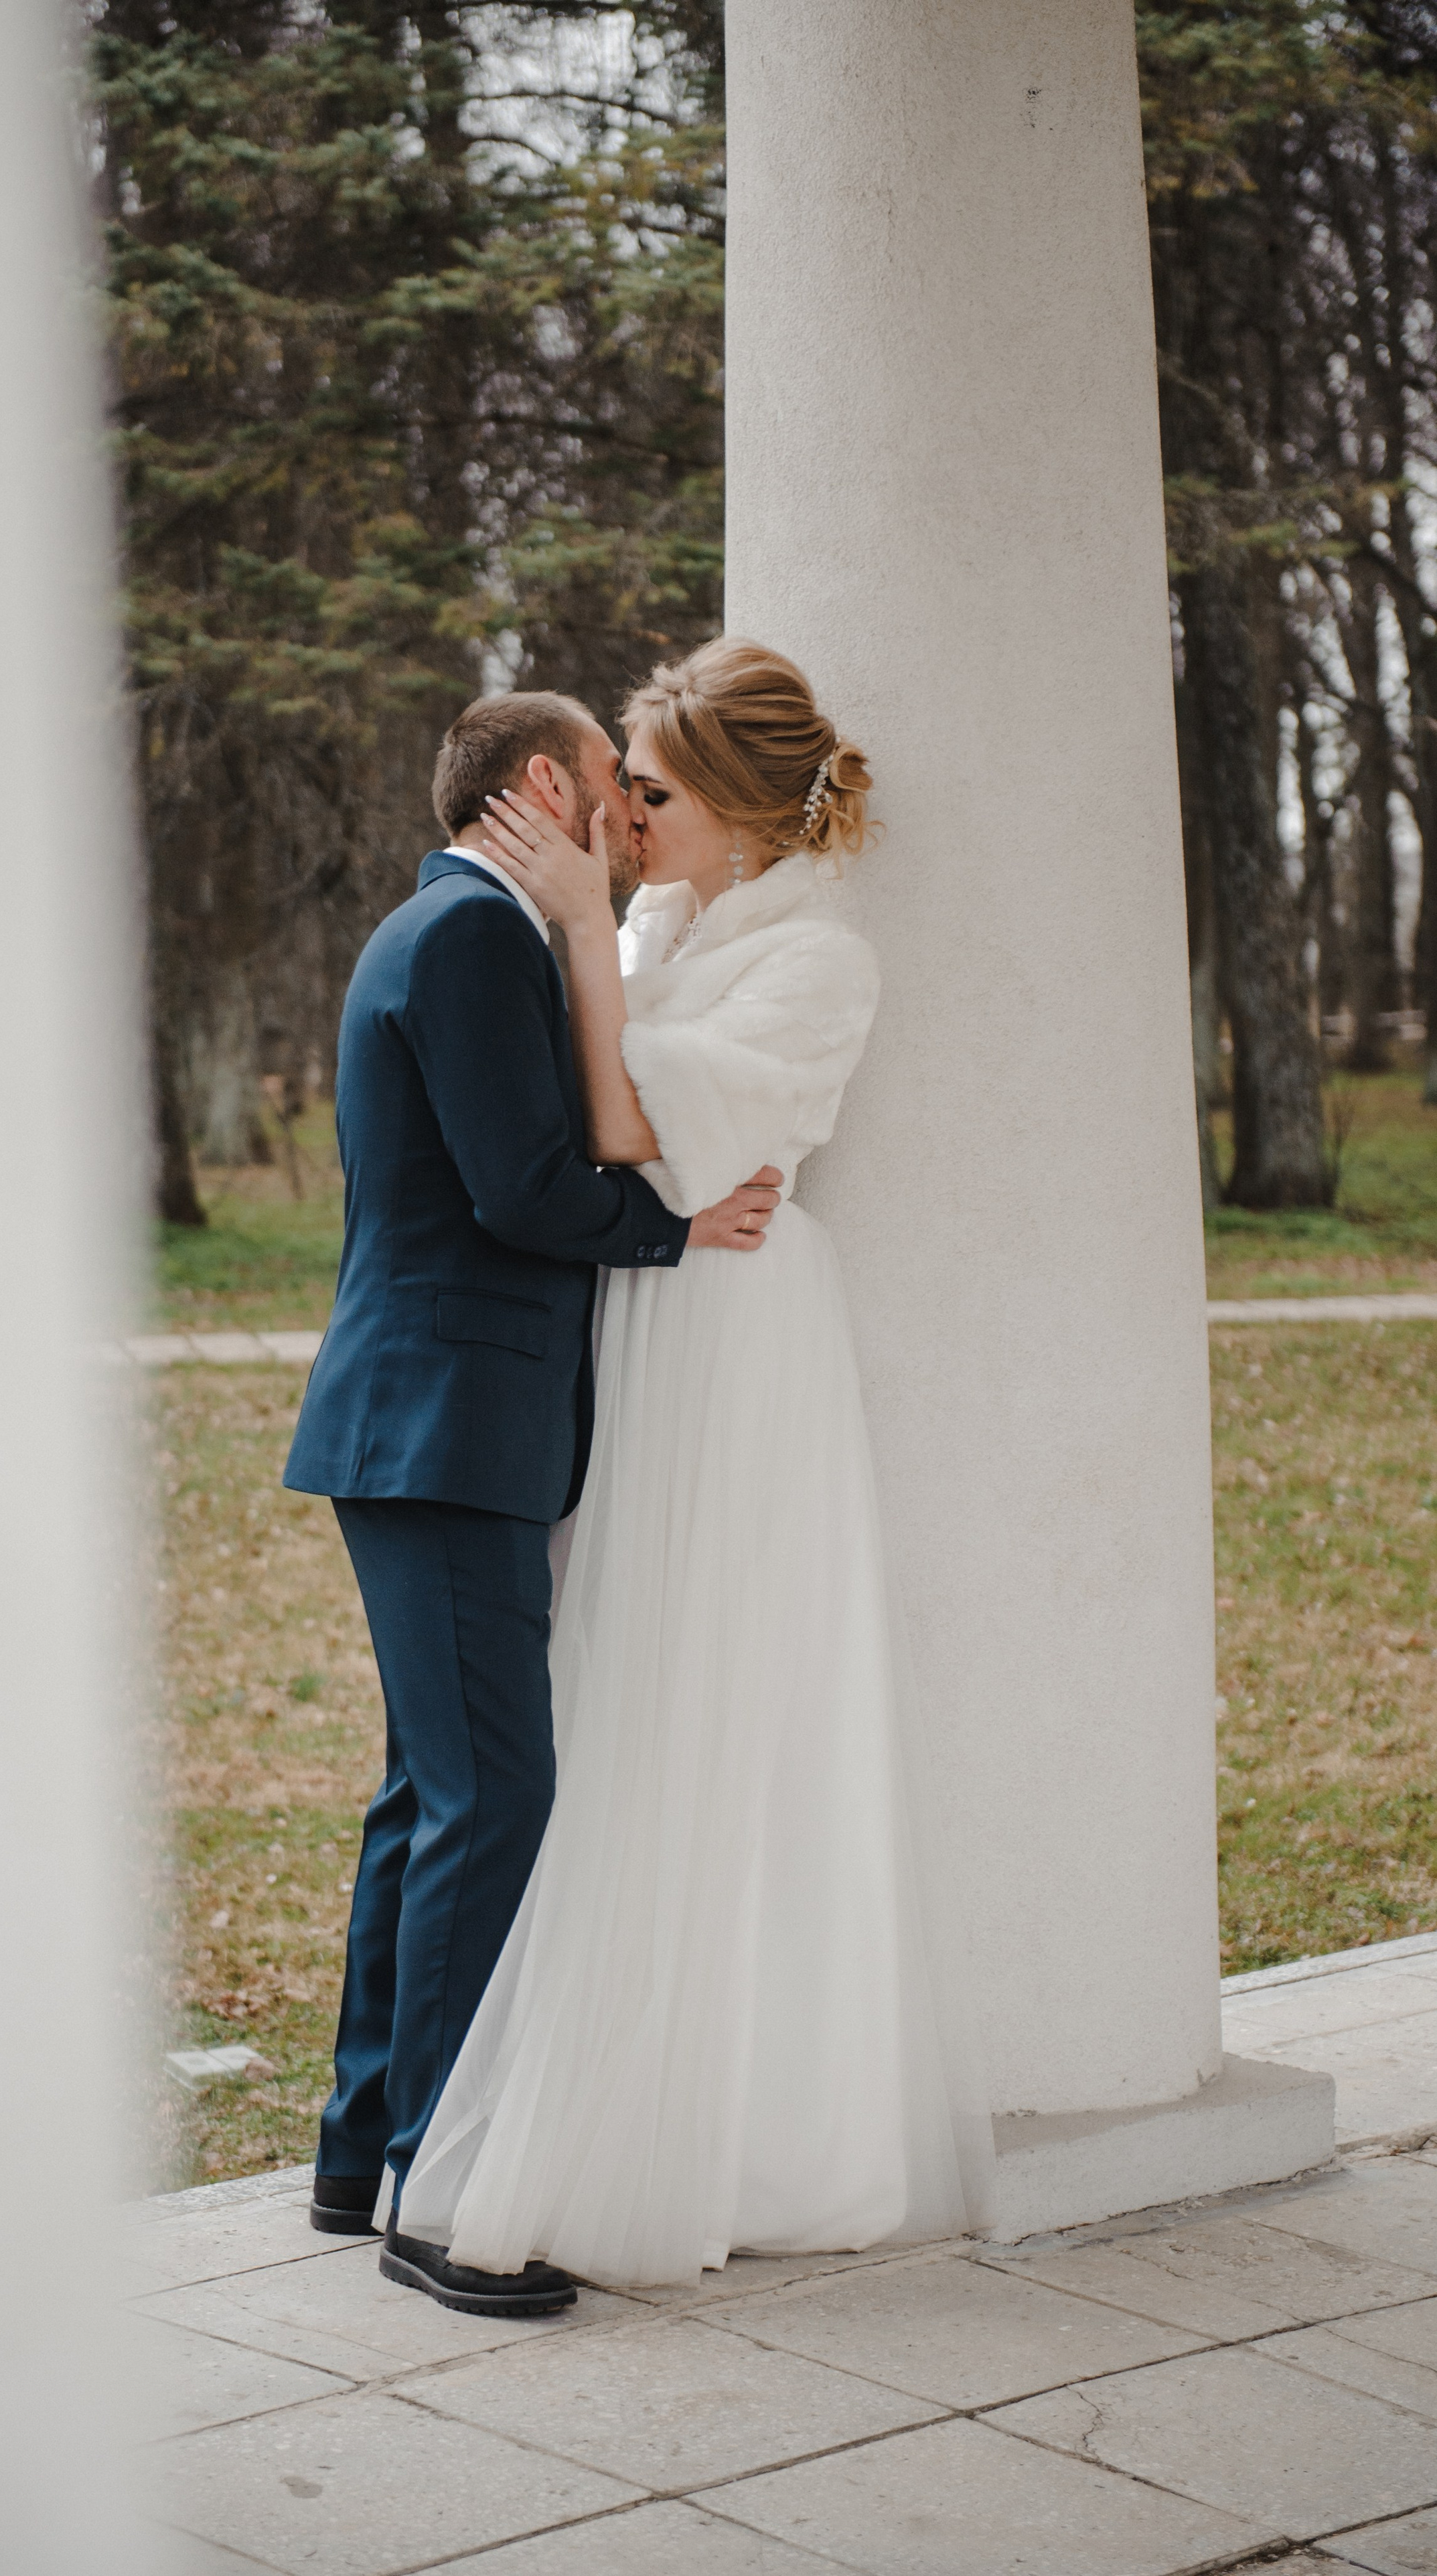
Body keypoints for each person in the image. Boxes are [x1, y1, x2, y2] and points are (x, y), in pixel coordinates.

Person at [397, 637, 995, 2291]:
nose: (622, 815)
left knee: (719, 1689)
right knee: (611, 1680)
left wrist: (584, 934)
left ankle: (742, 2118)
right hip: (650, 1312)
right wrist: (608, 934)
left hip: (734, 1332)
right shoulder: (671, 922)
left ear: (730, 807)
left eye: (648, 792)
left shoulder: (818, 960)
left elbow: (624, 1125)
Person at [281, 688, 783, 2318]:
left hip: (431, 1424)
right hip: (444, 1424)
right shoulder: (473, 942)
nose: (631, 827)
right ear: (550, 786)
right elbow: (520, 1185)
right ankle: (444, 2191)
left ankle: (362, 2153)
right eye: (613, 796)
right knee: (491, 1795)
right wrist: (678, 1224)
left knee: (427, 1795)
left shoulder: (458, 930)